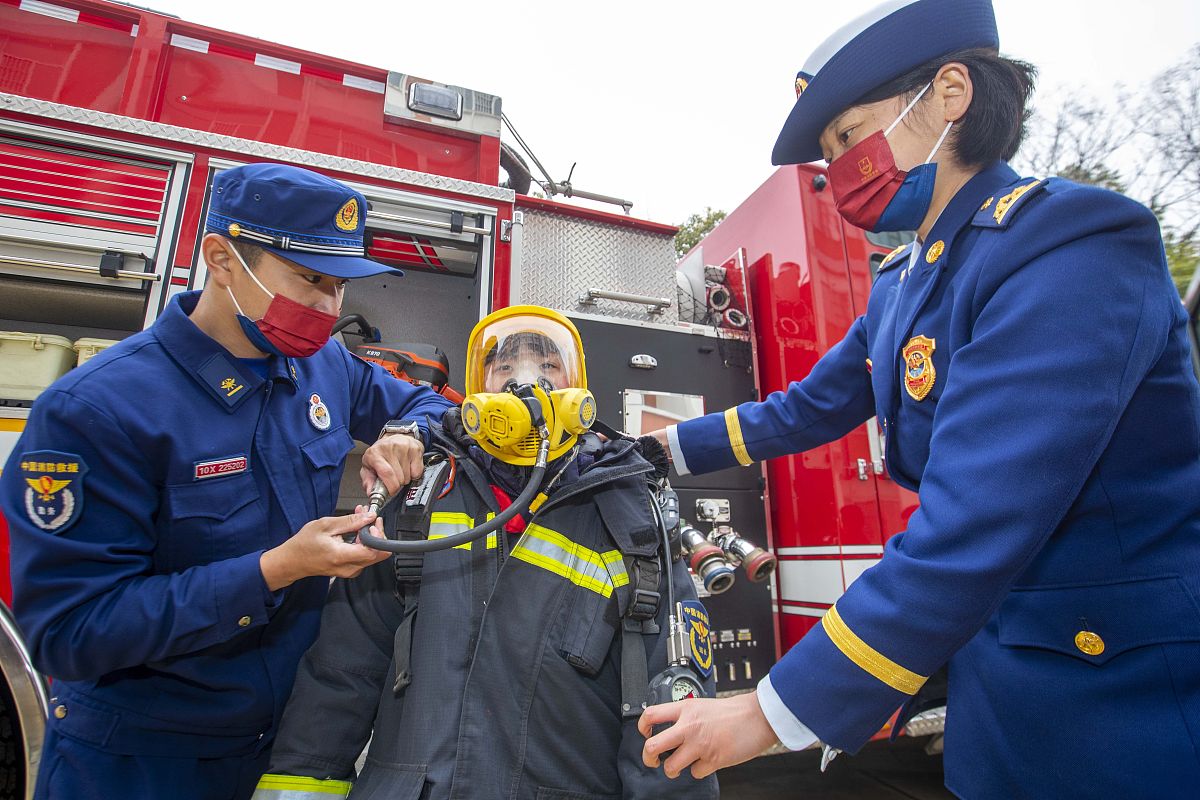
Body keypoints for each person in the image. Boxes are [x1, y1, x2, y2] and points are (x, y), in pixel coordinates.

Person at [638, 1, 1200, 797]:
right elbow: (806, 408)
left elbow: (975, 521)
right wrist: (660, 448)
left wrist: (767, 713)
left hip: (1117, 706)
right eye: (829, 152)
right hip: (998, 690)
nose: (836, 170)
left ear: (948, 94)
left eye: (848, 136)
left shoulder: (1070, 245)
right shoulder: (902, 284)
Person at [0, 163, 455, 800]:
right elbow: (68, 636)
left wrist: (407, 434)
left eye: (340, 286)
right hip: (144, 762)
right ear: (221, 258)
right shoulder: (97, 411)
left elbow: (431, 406)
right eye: (309, 279)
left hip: (286, 749)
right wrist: (274, 570)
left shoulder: (321, 366)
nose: (328, 307)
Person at [251, 307, 719, 799]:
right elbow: (341, 675)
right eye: (504, 369)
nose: (525, 384)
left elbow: (669, 713)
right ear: (477, 390)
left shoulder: (629, 514)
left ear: (577, 386)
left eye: (547, 367)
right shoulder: (420, 498)